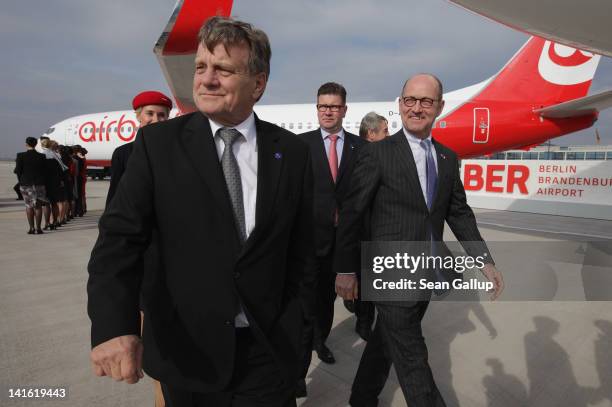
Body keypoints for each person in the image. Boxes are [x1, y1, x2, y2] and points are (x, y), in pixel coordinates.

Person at [87, 16, 315, 407]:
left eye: (223, 70)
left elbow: (304, 249)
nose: (207, 80)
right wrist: (114, 326)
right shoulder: (157, 146)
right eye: (201, 67)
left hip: (268, 351)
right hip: (188, 354)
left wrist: (301, 328)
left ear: (257, 83)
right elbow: (119, 242)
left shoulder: (291, 151)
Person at [333, 74, 504, 407]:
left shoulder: (446, 158)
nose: (416, 108)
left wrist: (483, 260)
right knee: (413, 359)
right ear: (399, 105)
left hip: (427, 271)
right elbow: (352, 215)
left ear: (439, 107)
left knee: (386, 340)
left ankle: (361, 397)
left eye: (426, 101)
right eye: (409, 100)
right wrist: (345, 269)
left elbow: (459, 212)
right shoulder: (378, 154)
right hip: (390, 273)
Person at [105, 92, 173, 206]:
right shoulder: (122, 153)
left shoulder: (176, 151)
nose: (156, 119)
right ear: (138, 116)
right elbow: (115, 194)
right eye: (149, 113)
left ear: (167, 118)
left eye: (161, 115)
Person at [14, 137, 48, 234]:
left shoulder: (20, 156)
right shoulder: (42, 156)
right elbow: (45, 171)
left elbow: (18, 171)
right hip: (39, 184)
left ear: (26, 144)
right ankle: (39, 228)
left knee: (29, 206)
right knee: (38, 206)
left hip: (26, 184)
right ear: (36, 144)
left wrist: (21, 181)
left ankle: (31, 228)